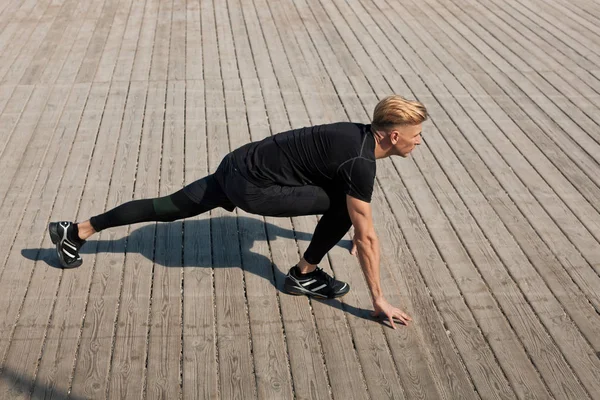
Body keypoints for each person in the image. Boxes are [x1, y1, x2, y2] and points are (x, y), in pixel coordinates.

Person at [49, 95, 427, 328]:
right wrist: (378, 298)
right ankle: (303, 275)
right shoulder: (361, 165)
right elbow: (367, 234)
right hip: (254, 189)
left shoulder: (353, 132)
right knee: (344, 207)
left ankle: (78, 230)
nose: (419, 140)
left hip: (238, 163)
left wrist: (356, 234)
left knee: (168, 206)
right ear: (394, 136)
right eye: (417, 134)